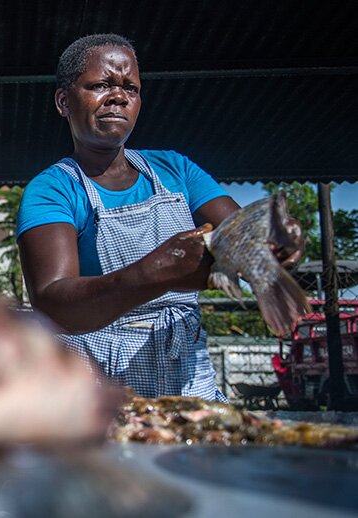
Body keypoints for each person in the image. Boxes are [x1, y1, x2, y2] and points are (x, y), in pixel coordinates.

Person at [16, 34, 301, 401]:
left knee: (207, 447)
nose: (118, 96)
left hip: (187, 369)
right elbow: (53, 301)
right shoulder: (52, 189)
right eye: (101, 85)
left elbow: (238, 231)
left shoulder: (175, 169)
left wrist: (275, 237)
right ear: (63, 101)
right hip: (98, 375)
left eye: (130, 88)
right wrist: (155, 273)